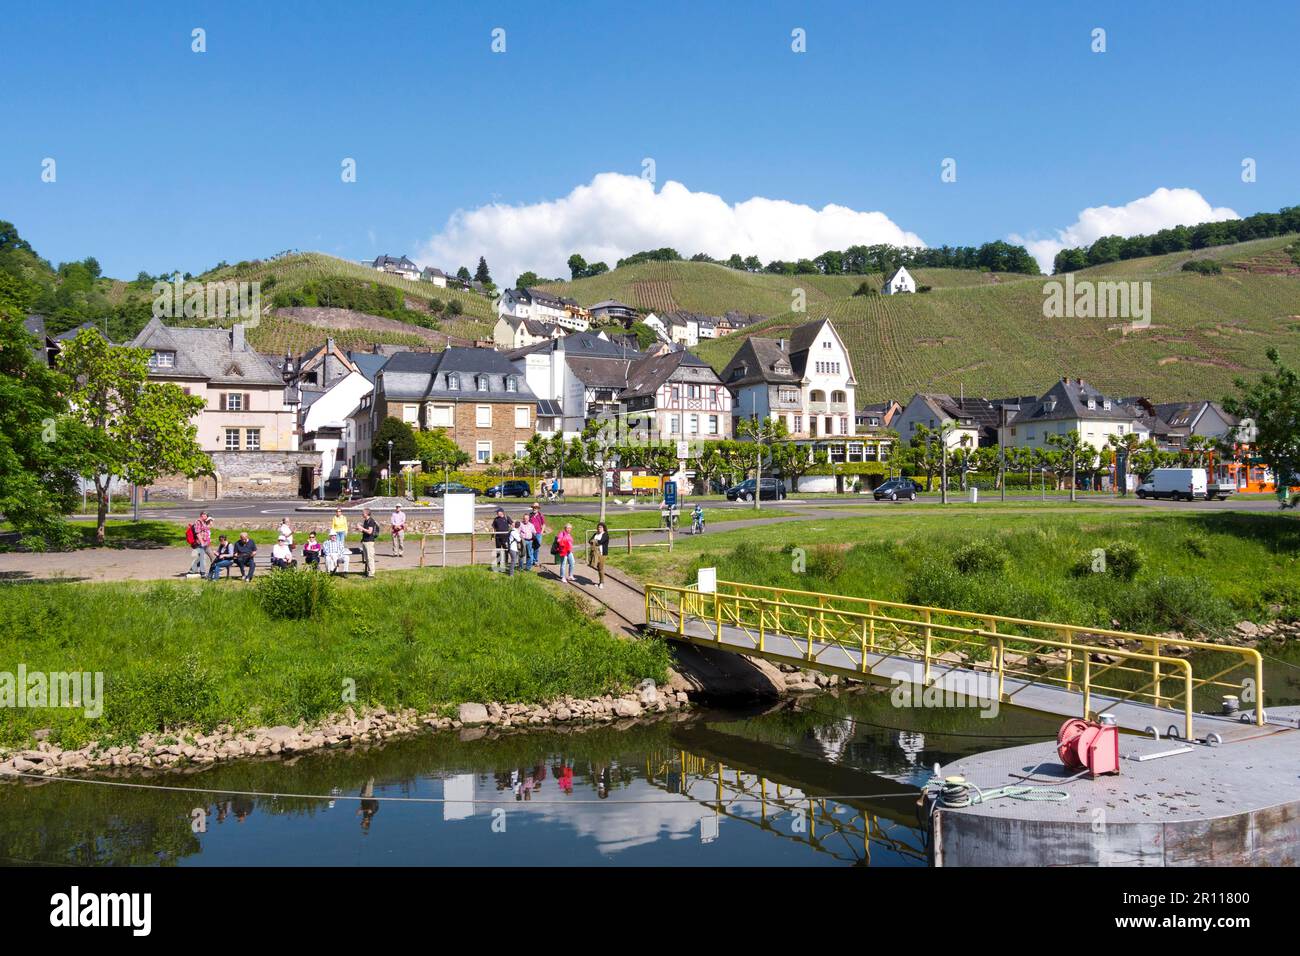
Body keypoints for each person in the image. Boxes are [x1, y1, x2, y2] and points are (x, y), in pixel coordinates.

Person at [187, 512, 213, 577]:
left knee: (211, 556)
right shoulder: (198, 522)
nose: (207, 517)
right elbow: (197, 533)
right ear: (202, 515)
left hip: (206, 543)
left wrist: (210, 522)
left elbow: (206, 530)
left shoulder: (204, 522)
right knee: (202, 558)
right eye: (206, 516)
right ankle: (203, 573)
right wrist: (202, 542)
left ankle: (192, 570)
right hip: (200, 543)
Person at [358, 508, 379, 578]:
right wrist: (360, 529)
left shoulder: (371, 521)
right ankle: (369, 572)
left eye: (363, 512)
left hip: (369, 541)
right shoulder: (365, 521)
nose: (362, 514)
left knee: (370, 557)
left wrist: (362, 528)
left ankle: (371, 574)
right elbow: (365, 531)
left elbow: (370, 531)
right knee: (366, 558)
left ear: (366, 513)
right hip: (365, 541)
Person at [589, 521, 609, 589]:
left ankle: (601, 583)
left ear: (603, 528)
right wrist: (594, 540)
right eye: (598, 527)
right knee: (597, 567)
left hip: (602, 554)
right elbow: (589, 541)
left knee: (601, 568)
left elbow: (600, 542)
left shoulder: (605, 534)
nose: (599, 528)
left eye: (600, 527)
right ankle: (600, 581)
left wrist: (594, 541)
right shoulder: (595, 534)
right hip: (595, 553)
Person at [491, 508, 512, 573]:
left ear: (502, 512)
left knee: (506, 550)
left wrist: (511, 532)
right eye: (497, 512)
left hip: (505, 537)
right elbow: (493, 528)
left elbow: (512, 524)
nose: (497, 513)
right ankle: (498, 563)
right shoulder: (496, 519)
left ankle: (505, 563)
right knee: (498, 550)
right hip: (498, 537)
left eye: (498, 512)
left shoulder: (507, 517)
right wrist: (492, 536)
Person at [527, 502, 545, 570]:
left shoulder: (541, 515)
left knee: (536, 547)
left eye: (536, 508)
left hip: (538, 533)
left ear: (538, 508)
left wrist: (541, 532)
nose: (534, 509)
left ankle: (535, 560)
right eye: (534, 508)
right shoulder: (530, 515)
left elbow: (543, 524)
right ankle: (531, 561)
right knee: (531, 547)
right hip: (531, 534)